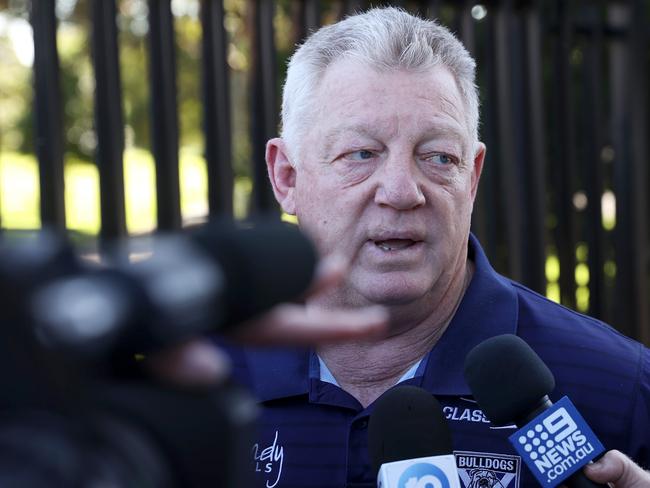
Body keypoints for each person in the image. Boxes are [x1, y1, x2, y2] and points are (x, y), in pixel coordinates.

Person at [223, 7, 650, 488]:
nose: (403, 191)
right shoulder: (199, 382)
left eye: (438, 157)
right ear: (287, 176)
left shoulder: (619, 390)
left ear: (471, 177)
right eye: (361, 153)